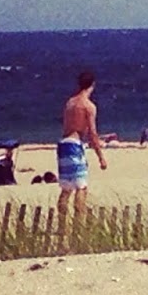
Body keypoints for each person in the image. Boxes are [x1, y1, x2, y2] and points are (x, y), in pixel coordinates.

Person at [58, 71, 108, 219]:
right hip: (74, 144)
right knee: (81, 187)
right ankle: (78, 224)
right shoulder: (88, 106)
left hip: (63, 144)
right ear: (92, 85)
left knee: (66, 189)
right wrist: (101, 157)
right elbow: (92, 133)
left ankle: (62, 225)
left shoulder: (70, 102)